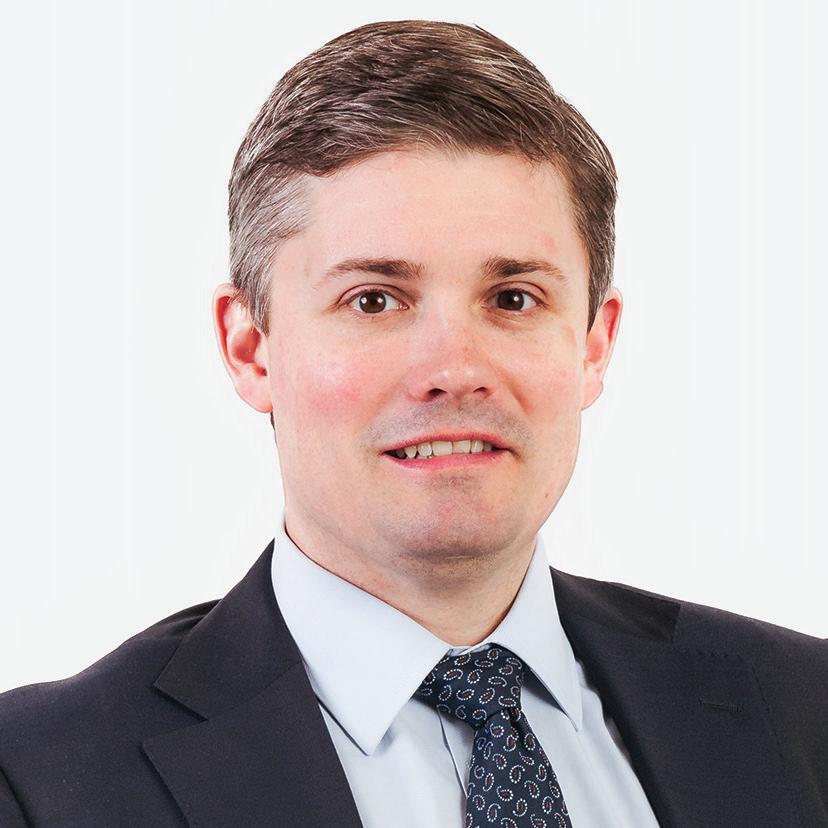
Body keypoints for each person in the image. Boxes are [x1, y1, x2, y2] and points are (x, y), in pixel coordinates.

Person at [1, 19, 826, 828]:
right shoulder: (37, 781)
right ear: (251, 349)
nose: (454, 369)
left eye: (514, 298)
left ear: (593, 344)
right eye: (373, 300)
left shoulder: (803, 709)